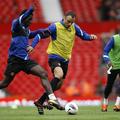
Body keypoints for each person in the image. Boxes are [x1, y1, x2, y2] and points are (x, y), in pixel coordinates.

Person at [29, 10, 97, 114]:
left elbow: (84, 36)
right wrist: (32, 46)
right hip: (54, 57)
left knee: (59, 85)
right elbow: (40, 35)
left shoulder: (74, 27)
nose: (70, 24)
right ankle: (50, 99)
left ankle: (40, 101)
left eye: (72, 22)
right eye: (68, 21)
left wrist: (91, 37)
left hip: (65, 60)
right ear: (64, 18)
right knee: (59, 74)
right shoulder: (54, 27)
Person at [0, 6, 62, 115]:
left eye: (31, 18)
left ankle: (52, 98)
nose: (31, 21)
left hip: (25, 61)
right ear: (24, 18)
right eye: (29, 18)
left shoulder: (26, 30)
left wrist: (47, 31)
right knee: (5, 83)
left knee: (43, 73)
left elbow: (36, 33)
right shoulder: (16, 24)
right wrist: (32, 8)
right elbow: (23, 16)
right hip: (14, 61)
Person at [101, 34, 120, 112]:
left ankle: (117, 104)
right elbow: (105, 51)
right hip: (113, 65)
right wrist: (108, 61)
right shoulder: (114, 39)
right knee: (109, 85)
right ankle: (105, 101)